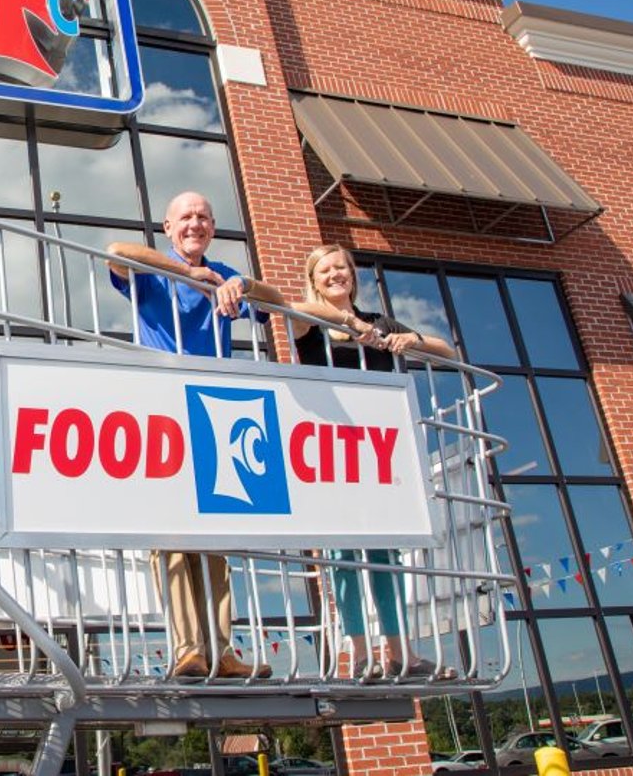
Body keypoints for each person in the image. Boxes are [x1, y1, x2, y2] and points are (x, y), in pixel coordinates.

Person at [105, 190, 283, 680]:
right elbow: (116, 252)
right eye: (186, 216)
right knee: (173, 536)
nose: (196, 224)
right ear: (168, 227)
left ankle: (222, 649)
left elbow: (280, 302)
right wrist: (186, 273)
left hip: (214, 414)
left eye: (204, 217)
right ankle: (188, 649)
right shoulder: (156, 270)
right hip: (163, 411)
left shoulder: (226, 273)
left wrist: (241, 285)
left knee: (216, 537)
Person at [289, 243, 456, 680]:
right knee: (345, 551)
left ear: (353, 275)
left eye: (341, 268)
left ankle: (399, 653)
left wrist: (412, 339)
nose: (335, 275)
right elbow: (291, 315)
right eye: (325, 270)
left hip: (380, 448)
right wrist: (345, 323)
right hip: (332, 448)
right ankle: (360, 654)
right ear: (314, 279)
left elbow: (449, 352)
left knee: (384, 553)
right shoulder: (312, 321)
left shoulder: (379, 322)